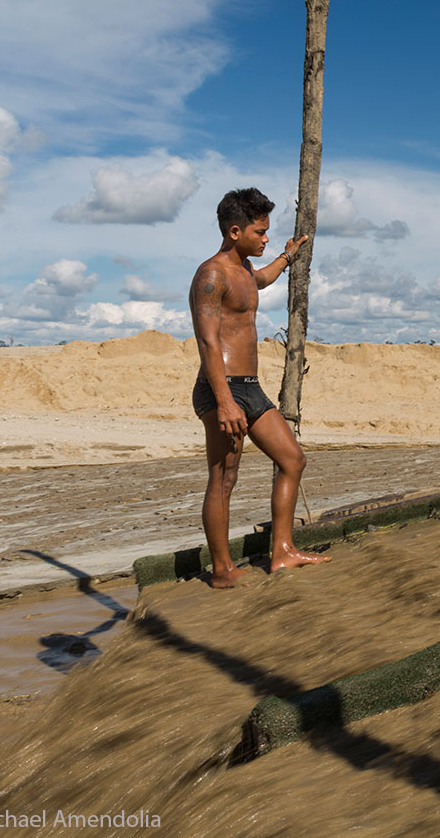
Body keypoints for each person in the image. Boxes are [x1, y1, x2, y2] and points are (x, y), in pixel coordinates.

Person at [188, 187, 327, 587]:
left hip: (250, 388)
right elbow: (209, 341)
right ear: (235, 231)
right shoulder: (211, 275)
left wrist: (287, 255)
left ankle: (281, 552)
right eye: (260, 232)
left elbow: (261, 282)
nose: (265, 238)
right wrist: (225, 401)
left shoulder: (245, 270)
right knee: (224, 479)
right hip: (221, 390)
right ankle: (222, 570)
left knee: (292, 460)